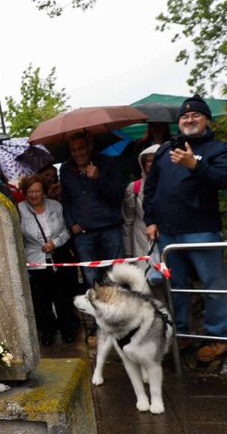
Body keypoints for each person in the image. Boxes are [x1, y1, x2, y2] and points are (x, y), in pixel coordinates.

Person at [144, 94, 227, 362]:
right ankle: (182, 334)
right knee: (176, 287)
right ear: (178, 122)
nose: (189, 119)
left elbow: (223, 179)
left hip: (201, 229)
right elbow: (151, 188)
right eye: (184, 116)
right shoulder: (165, 150)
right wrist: (151, 220)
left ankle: (218, 337)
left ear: (206, 120)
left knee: (213, 285)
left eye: (195, 115)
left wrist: (195, 165)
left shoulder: (217, 148)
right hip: (168, 231)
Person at [17, 175, 77, 345]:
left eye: (37, 191)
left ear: (44, 191)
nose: (33, 195)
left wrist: (55, 243)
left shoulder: (56, 206)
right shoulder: (19, 209)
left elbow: (66, 231)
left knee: (62, 296)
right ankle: (47, 332)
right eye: (29, 192)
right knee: (41, 299)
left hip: (58, 258)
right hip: (35, 260)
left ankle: (67, 330)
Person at [60, 132, 124, 287]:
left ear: (90, 146)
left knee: (118, 276)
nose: (77, 153)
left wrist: (98, 179)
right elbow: (66, 200)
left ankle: (120, 311)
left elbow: (119, 195)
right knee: (92, 279)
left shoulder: (108, 163)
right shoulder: (65, 169)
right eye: (73, 150)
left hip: (110, 229)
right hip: (83, 233)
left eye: (81, 148)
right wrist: (71, 224)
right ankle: (99, 311)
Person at [122, 144, 162, 279]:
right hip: (140, 240)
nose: (152, 164)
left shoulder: (174, 184)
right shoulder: (134, 187)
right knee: (144, 280)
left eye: (156, 159)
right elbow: (128, 221)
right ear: (142, 164)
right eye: (149, 161)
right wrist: (128, 251)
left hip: (167, 236)